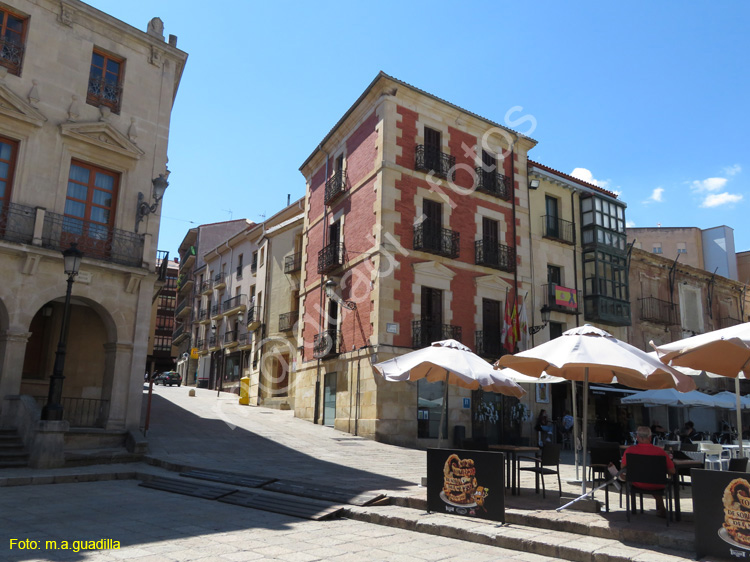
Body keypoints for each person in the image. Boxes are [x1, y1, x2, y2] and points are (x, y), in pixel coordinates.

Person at [620, 426, 675, 518]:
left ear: (637, 438)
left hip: (637, 483)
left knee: (623, 475)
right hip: (657, 483)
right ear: (650, 438)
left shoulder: (630, 450)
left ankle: (660, 509)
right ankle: (662, 509)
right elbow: (672, 471)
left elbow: (622, 466)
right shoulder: (660, 452)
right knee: (652, 480)